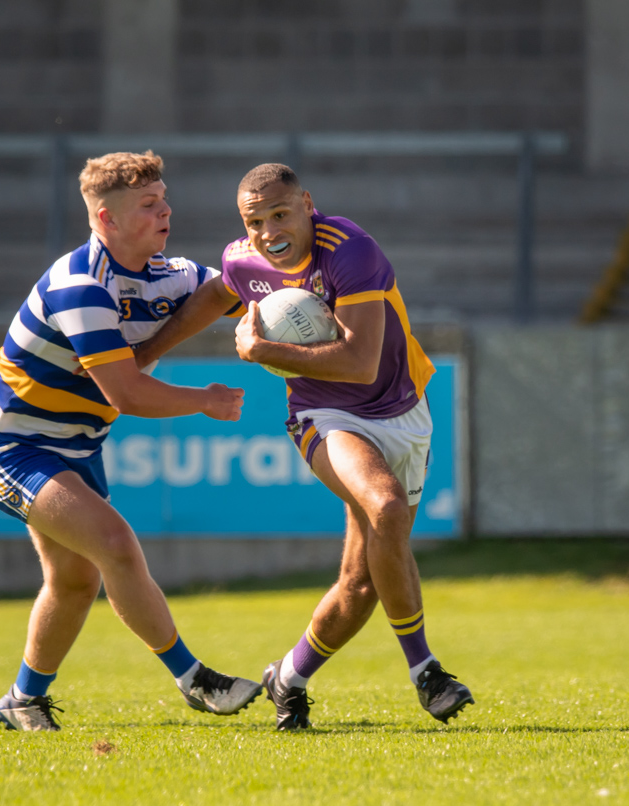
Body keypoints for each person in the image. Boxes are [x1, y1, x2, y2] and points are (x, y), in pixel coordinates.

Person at [131, 163, 474, 730]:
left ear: (308, 204)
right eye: (254, 221)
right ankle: (427, 673)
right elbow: (217, 294)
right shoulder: (245, 259)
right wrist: (145, 357)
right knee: (383, 505)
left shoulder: (351, 250)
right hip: (324, 415)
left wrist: (264, 351)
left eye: (280, 214)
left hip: (402, 411)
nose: (268, 231)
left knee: (362, 582)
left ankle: (288, 677)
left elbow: (362, 364)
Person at [0, 150, 262, 731]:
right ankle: (196, 680)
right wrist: (203, 399)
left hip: (76, 448)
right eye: (149, 205)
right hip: (11, 446)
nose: (165, 212)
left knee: (75, 582)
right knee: (116, 544)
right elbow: (126, 394)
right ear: (106, 219)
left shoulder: (164, 272)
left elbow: (228, 287)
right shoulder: (79, 286)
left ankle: (22, 700)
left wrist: (284, 291)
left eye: (164, 200)